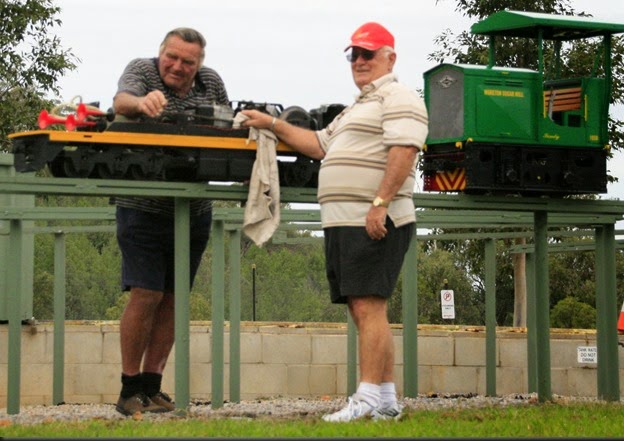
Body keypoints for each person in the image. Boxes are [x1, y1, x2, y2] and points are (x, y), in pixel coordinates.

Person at [241, 22, 428, 422]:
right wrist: (271, 123)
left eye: (367, 53)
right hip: (346, 221)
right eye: (353, 54)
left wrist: (379, 204)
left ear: (390, 58)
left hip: (374, 219)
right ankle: (386, 401)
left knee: (368, 304)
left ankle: (366, 396)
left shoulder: (400, 96)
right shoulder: (356, 107)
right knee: (364, 308)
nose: (358, 61)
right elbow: (318, 144)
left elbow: (405, 150)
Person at [111, 27, 229, 416]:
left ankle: (152, 385)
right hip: (143, 205)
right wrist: (141, 102)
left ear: (199, 64)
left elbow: (228, 124)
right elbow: (121, 101)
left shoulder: (211, 83)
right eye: (171, 57)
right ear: (161, 53)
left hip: (193, 208)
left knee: (175, 297)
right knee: (146, 293)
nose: (177, 66)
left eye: (187, 61)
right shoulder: (142, 71)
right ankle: (129, 389)